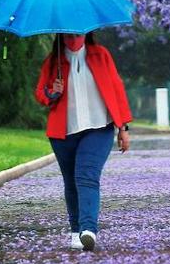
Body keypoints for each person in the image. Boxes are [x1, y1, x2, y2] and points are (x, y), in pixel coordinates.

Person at [34, 31, 133, 252]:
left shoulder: (101, 55)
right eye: (68, 34)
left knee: (86, 176)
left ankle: (88, 229)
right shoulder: (53, 62)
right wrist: (53, 91)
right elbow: (41, 94)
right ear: (61, 36)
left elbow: (117, 90)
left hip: (99, 128)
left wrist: (123, 128)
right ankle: (75, 230)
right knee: (71, 181)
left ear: (86, 32)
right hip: (64, 133)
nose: (73, 38)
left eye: (77, 33)